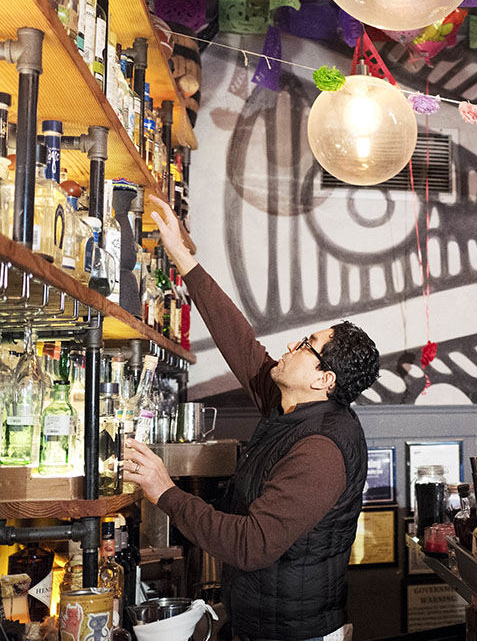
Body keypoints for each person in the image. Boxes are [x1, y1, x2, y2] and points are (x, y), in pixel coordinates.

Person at [123, 198, 380, 641]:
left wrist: (164, 491)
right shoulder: (295, 409)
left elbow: (252, 544)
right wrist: (184, 260)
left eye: (306, 345)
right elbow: (241, 344)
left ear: (325, 379)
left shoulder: (321, 449)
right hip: (263, 625)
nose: (292, 346)